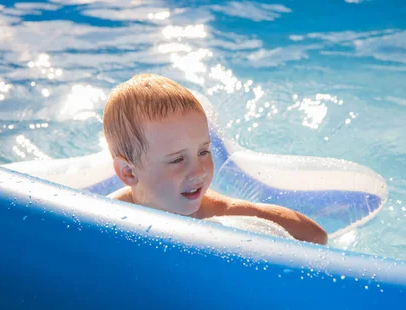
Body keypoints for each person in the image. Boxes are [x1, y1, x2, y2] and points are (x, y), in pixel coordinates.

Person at [103, 73, 328, 245]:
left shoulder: (213, 211)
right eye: (177, 160)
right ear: (128, 172)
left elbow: (316, 235)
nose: (199, 171)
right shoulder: (107, 216)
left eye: (203, 152)